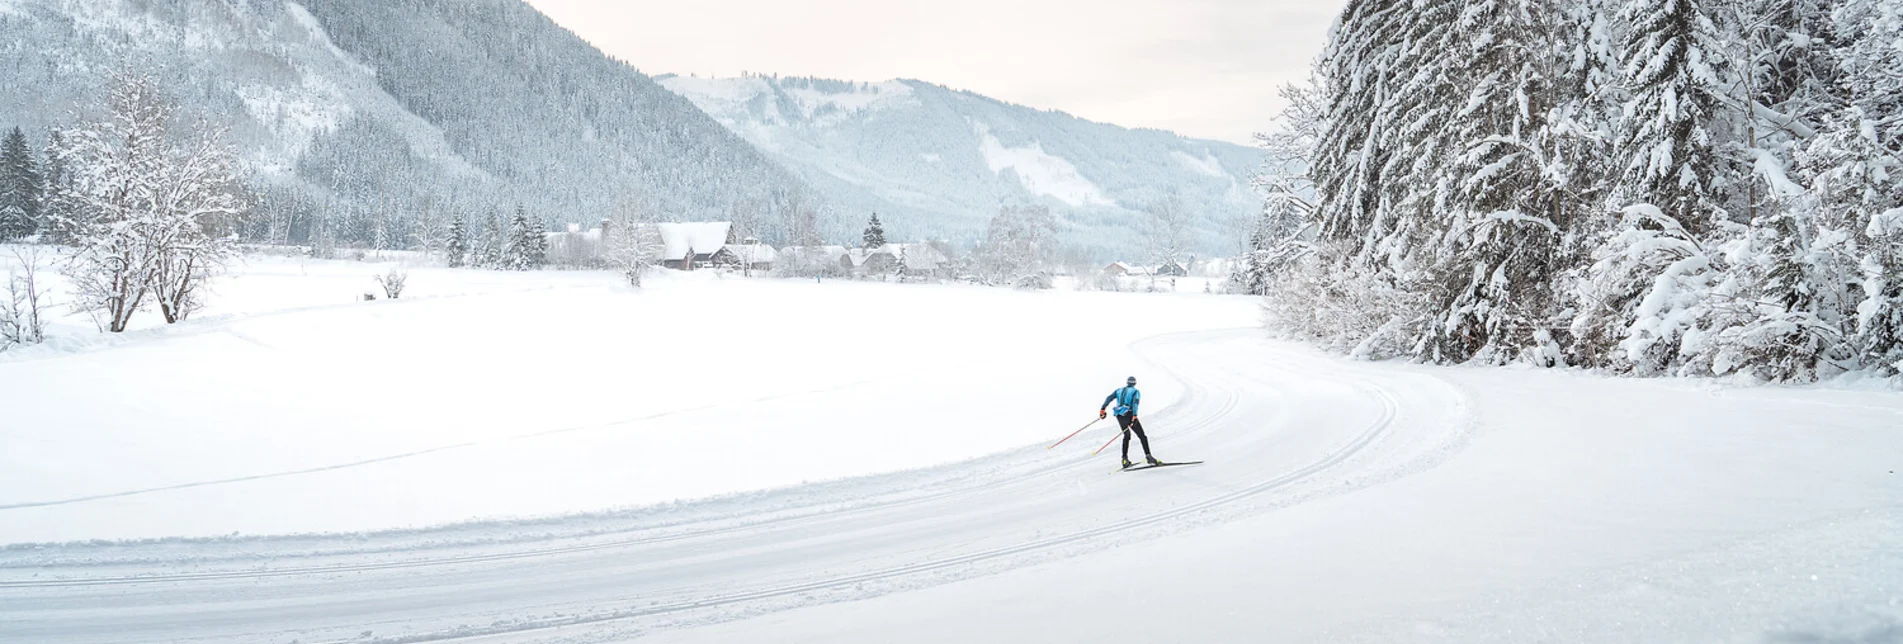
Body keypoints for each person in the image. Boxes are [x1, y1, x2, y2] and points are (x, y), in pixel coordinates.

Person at [1099, 376, 1160, 468]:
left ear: (1127, 382)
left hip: (1119, 415)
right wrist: (1134, 415)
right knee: (1142, 436)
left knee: (1126, 436)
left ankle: (1124, 459)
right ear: (1134, 383)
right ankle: (1148, 456)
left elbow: (1109, 398)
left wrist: (1102, 409)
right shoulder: (1135, 391)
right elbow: (1135, 403)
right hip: (1129, 414)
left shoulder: (1119, 390)